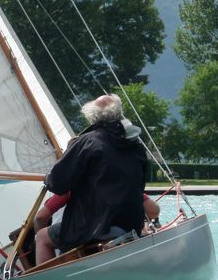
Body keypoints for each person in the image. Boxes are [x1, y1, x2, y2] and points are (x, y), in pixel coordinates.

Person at [35, 94, 147, 265]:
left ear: (92, 116)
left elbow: (57, 184)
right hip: (132, 223)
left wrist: (48, 178)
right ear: (118, 112)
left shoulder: (87, 142)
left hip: (96, 225)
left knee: (42, 238)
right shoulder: (136, 146)